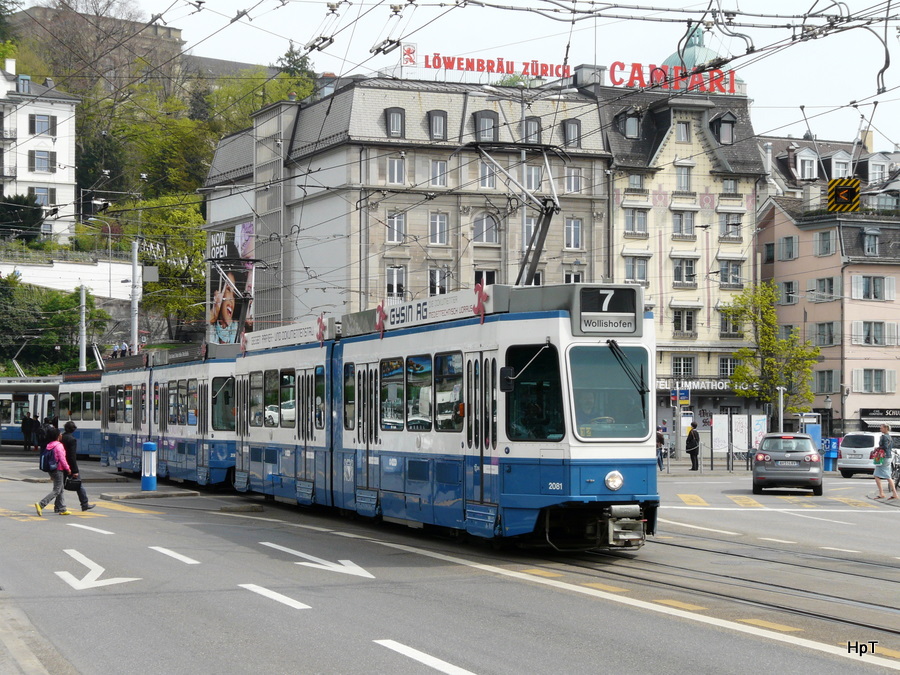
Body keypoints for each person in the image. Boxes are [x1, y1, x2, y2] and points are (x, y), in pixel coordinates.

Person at [34, 427, 72, 516]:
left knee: (60, 488)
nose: (61, 435)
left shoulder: (49, 445)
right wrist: (68, 469)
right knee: (57, 490)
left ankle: (61, 508)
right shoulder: (59, 446)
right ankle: (41, 504)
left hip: (52, 469)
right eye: (60, 433)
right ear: (58, 436)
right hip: (58, 469)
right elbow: (62, 459)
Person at [61, 421, 95, 511]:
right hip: (69, 466)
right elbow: (72, 456)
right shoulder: (72, 439)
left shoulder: (61, 437)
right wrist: (75, 470)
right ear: (73, 429)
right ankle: (84, 504)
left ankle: (58, 506)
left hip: (61, 465)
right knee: (79, 485)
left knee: (59, 487)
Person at [874, 423, 900, 500]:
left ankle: (881, 493)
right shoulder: (890, 437)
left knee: (877, 475)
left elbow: (885, 447)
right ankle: (894, 493)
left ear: (886, 428)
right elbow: (889, 447)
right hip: (888, 457)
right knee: (888, 476)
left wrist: (877, 448)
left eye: (881, 428)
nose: (880, 429)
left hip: (882, 457)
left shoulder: (884, 437)